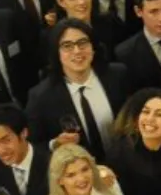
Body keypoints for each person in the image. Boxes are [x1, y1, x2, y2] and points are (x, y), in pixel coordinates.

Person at [26, 18, 132, 152]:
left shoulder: (118, 76)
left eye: (82, 43)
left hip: (124, 162)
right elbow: (33, 146)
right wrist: (55, 144)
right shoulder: (40, 97)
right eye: (67, 46)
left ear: (93, 47)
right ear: (56, 53)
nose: (77, 51)